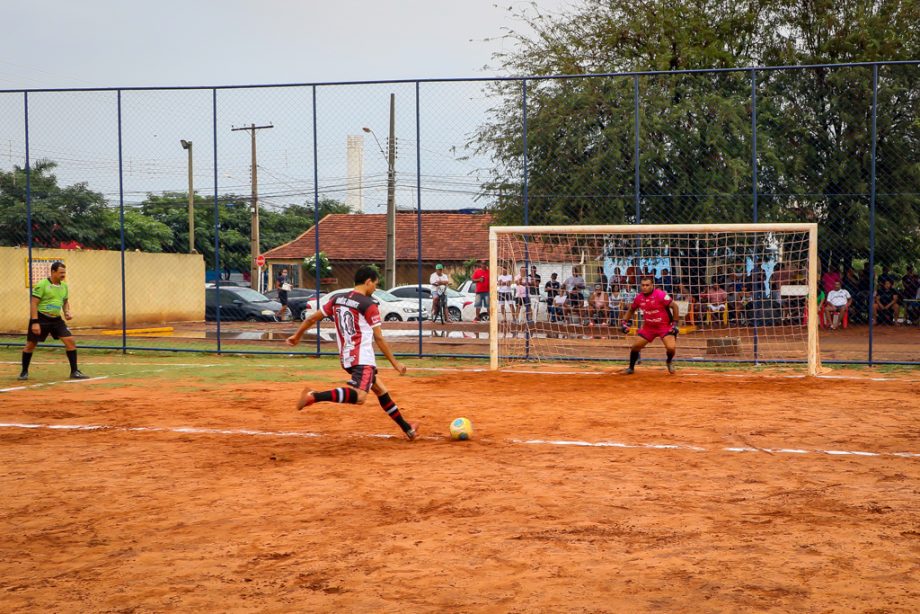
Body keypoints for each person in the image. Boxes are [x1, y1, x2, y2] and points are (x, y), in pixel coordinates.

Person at [285, 265, 419, 441]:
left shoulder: (337, 299)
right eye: (375, 284)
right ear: (368, 281)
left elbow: (311, 318)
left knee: (381, 390)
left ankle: (408, 429)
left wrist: (297, 336)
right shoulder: (368, 305)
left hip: (347, 357)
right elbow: (379, 338)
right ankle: (314, 397)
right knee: (360, 397)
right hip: (363, 357)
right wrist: (396, 363)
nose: (375, 289)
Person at [19, 261, 89, 381]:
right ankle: (24, 372)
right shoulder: (42, 284)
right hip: (41, 318)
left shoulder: (64, 286)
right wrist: (35, 322)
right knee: (30, 345)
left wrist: (67, 311)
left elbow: (65, 301)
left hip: (56, 320)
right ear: (53, 272)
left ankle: (74, 372)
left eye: (64, 272)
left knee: (70, 342)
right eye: (61, 272)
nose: (63, 275)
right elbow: (34, 303)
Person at [620, 276, 680, 375]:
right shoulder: (639, 298)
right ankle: (631, 368)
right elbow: (631, 310)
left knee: (671, 348)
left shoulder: (660, 295)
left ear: (652, 285)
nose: (645, 287)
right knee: (635, 347)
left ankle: (669, 361)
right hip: (648, 327)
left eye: (647, 285)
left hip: (664, 327)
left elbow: (675, 306)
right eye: (643, 285)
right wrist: (624, 322)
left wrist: (675, 324)